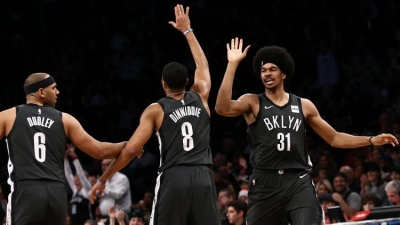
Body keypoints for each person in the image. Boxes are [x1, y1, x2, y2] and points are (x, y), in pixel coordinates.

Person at [214, 38, 399, 225]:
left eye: (272, 69)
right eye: (263, 71)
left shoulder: (303, 105)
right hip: (265, 182)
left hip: (298, 180)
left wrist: (371, 140)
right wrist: (232, 65)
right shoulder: (252, 101)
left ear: (283, 73)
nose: (267, 74)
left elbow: (334, 138)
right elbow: (222, 108)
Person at [90, 5, 220, 225]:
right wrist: (187, 31)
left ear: (163, 84)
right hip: (204, 176)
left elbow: (131, 149)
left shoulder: (156, 109)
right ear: (188, 82)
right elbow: (203, 64)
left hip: (174, 175)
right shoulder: (201, 96)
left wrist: (103, 179)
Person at [0, 73, 130, 225]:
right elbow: (99, 150)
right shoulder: (65, 119)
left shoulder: (8, 116)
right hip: (56, 193)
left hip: (26, 190)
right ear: (41, 92)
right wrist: (125, 145)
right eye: (54, 88)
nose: (58, 92)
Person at [64, 143, 94, 225]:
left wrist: (74, 156)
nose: (75, 182)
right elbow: (68, 174)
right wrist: (65, 158)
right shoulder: (75, 191)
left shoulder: (87, 190)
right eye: (75, 180)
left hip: (86, 222)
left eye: (78, 180)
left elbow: (81, 174)